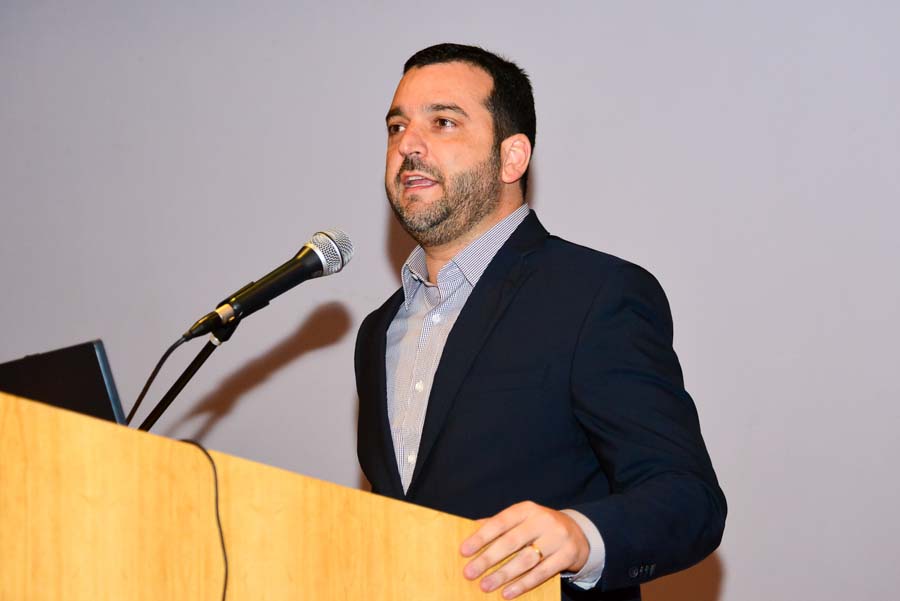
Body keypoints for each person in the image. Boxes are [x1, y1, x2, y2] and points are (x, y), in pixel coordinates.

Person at [355, 43, 726, 601]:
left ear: (512, 158)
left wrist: (580, 536)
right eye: (396, 126)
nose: (408, 144)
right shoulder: (379, 331)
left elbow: (689, 499)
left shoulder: (595, 295)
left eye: (443, 121)